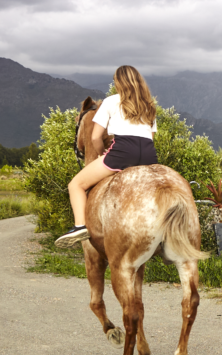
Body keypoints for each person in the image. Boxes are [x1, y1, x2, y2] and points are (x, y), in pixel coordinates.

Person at [55, 65, 159, 248]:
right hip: (149, 154)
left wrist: (102, 152)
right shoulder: (149, 105)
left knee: (76, 185)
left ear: (119, 82)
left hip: (123, 151)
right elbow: (150, 138)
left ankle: (79, 226)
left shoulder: (111, 102)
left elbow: (95, 137)